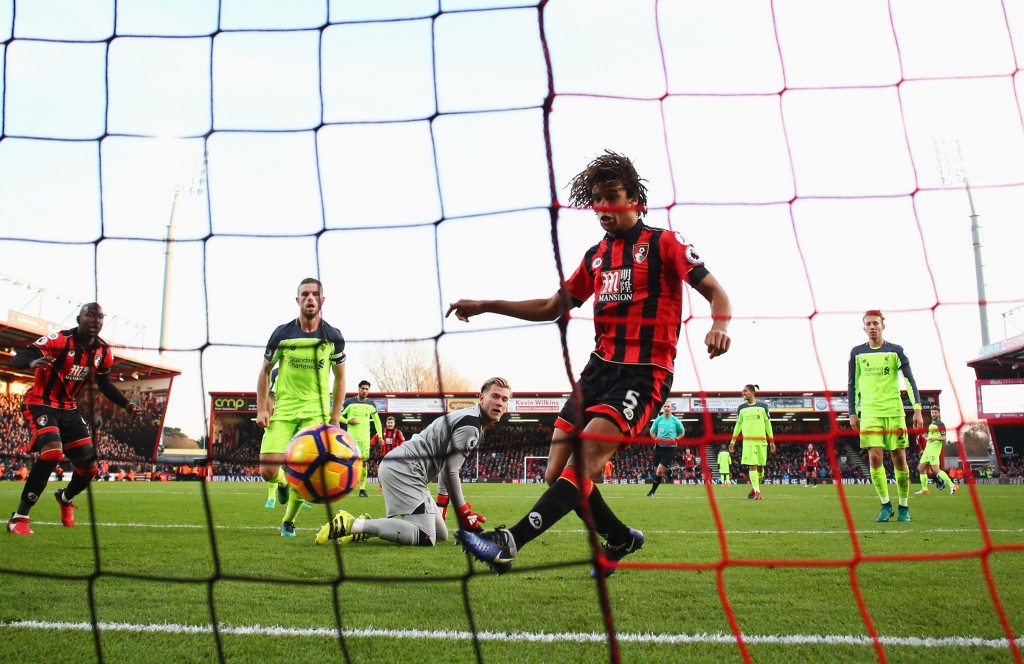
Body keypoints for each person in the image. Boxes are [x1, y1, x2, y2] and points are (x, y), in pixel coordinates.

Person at [447, 150, 731, 576]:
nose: (603, 207)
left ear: (635, 199)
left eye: (612, 196)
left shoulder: (664, 243)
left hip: (643, 374)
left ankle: (509, 542)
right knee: (557, 474)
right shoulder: (595, 257)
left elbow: (716, 292)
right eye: (597, 199)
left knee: (584, 464)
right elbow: (550, 306)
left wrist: (720, 325)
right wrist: (487, 304)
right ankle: (618, 538)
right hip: (597, 371)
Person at [316, 378, 511, 547]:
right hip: (405, 469)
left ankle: (367, 527)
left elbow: (445, 470)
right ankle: (352, 524)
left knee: (440, 535)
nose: (500, 403)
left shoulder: (471, 419)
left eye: (504, 399)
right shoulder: (471, 425)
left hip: (410, 470)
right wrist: (463, 512)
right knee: (425, 537)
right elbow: (451, 471)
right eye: (495, 396)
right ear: (481, 398)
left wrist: (443, 507)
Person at [6, 303, 142, 535]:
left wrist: (125, 404)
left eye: (100, 317)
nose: (95, 320)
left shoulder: (103, 351)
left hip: (69, 409)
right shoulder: (59, 340)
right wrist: (32, 362)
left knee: (90, 468)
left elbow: (105, 384)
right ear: (79, 319)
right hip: (41, 403)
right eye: (90, 315)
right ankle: (20, 517)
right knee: (52, 453)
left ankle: (65, 497)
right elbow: (19, 358)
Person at [256, 278, 345, 537]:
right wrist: (262, 407)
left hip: (315, 414)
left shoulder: (333, 337)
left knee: (305, 472)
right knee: (268, 471)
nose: (310, 298)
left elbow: (340, 378)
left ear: (322, 301)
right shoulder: (282, 334)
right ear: (297, 300)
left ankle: (288, 521)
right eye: (305, 294)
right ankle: (281, 484)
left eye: (315, 295)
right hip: (282, 412)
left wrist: (335, 416)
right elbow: (264, 371)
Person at [849, 309, 924, 523]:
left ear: (883, 325)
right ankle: (885, 505)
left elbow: (910, 380)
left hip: (894, 411)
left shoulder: (896, 351)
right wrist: (853, 413)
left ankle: (903, 506)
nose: (872, 327)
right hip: (871, 413)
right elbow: (852, 384)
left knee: (899, 458)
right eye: (868, 324)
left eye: (875, 323)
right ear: (864, 328)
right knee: (874, 457)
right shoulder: (857, 353)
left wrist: (917, 408)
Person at [728, 384, 775, 501]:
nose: (742, 393)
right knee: (752, 466)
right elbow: (738, 425)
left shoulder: (763, 406)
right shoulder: (741, 408)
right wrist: (732, 441)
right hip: (748, 443)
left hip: (762, 442)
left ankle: (755, 488)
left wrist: (772, 441)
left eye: (745, 391)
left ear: (752, 392)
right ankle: (758, 492)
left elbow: (768, 424)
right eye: (742, 391)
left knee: (760, 468)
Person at [340, 380, 383, 498]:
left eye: (367, 389)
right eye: (362, 388)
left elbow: (377, 421)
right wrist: (348, 421)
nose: (364, 391)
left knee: (364, 464)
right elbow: (337, 416)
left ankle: (362, 489)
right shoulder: (349, 402)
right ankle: (345, 486)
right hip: (351, 439)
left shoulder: (371, 404)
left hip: (364, 439)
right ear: (358, 389)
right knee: (348, 463)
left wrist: (380, 436)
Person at [915, 407, 957, 496]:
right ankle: (925, 489)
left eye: (935, 413)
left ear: (939, 413)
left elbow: (944, 438)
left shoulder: (940, 424)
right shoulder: (932, 424)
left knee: (936, 469)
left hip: (934, 450)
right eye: (932, 413)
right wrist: (928, 436)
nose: (933, 414)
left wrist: (935, 438)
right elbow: (931, 437)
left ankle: (952, 485)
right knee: (921, 468)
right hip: (928, 450)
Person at [647, 401, 684, 496]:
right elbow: (651, 432)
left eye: (668, 407)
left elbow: (682, 433)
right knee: (656, 470)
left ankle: (652, 492)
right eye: (665, 407)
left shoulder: (676, 421)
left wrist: (676, 439)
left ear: (671, 409)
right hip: (659, 447)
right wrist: (655, 438)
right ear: (663, 409)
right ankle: (668, 471)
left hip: (670, 449)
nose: (667, 408)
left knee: (659, 471)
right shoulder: (658, 420)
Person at [371, 416, 406, 491]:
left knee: (396, 471)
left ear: (394, 424)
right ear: (386, 423)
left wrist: (399, 448)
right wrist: (370, 444)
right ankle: (381, 486)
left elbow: (403, 441)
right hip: (383, 455)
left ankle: (396, 486)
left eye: (391, 423)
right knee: (380, 471)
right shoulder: (381, 431)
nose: (390, 424)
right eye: (388, 423)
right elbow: (374, 438)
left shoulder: (398, 432)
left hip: (394, 456)